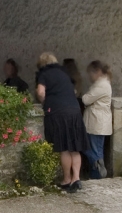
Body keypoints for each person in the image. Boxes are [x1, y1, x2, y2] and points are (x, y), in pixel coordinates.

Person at [35, 52, 89, 192]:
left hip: (58, 112)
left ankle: (66, 179)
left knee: (64, 148)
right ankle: (76, 178)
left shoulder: (44, 74)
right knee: (75, 147)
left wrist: (46, 102)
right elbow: (74, 90)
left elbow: (41, 92)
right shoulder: (64, 72)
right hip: (74, 110)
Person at [82, 61, 113, 180]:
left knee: (94, 150)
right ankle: (96, 172)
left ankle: (99, 172)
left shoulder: (102, 85)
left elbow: (86, 99)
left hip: (98, 123)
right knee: (93, 149)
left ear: (97, 71)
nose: (89, 76)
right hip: (95, 121)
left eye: (90, 73)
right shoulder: (101, 83)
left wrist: (85, 95)